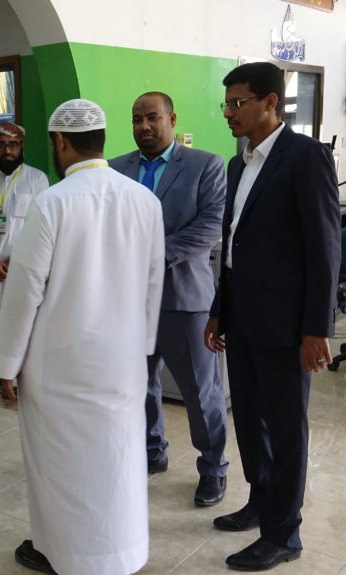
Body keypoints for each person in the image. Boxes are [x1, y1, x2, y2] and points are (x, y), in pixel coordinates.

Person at [0, 99, 165, 575]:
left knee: (62, 468)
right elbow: (154, 286)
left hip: (60, 368)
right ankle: (122, 554)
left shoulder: (52, 202)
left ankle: (64, 556)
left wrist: (5, 366)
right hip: (123, 362)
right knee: (118, 463)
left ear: (60, 141)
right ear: (102, 139)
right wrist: (143, 348)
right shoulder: (145, 201)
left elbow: (24, 292)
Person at [204, 62, 340, 571]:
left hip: (285, 322)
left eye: (237, 103)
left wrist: (316, 328)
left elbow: (324, 248)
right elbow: (232, 244)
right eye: (226, 104)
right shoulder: (238, 163)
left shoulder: (305, 157)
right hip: (241, 316)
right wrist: (219, 310)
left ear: (270, 103)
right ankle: (260, 500)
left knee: (285, 427)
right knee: (248, 418)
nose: (229, 113)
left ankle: (284, 534)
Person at [109, 92, 229, 506]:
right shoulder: (115, 169)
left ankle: (213, 468)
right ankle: (152, 451)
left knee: (201, 391)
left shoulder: (205, 165)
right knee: (138, 385)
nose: (144, 126)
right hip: (131, 302)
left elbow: (211, 225)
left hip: (184, 299)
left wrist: (151, 254)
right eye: (136, 119)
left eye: (152, 117)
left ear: (172, 119)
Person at [0, 121, 50, 403]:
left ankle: (18, 379)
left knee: (21, 323)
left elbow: (42, 226)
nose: (7, 150)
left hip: (24, 269)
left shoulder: (38, 180)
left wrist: (20, 261)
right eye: (1, 145)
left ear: (22, 147)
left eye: (13, 145)